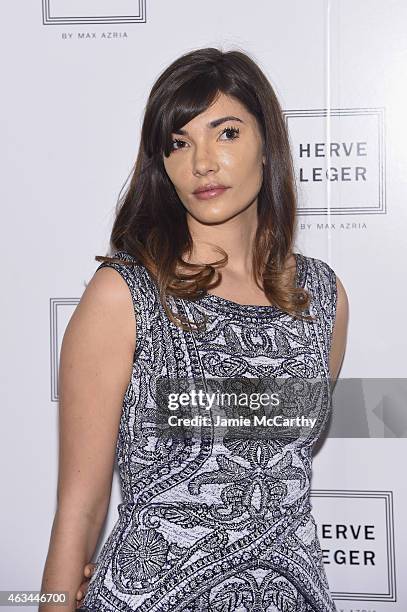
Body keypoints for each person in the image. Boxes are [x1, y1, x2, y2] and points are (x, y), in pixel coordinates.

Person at [39, 47, 348, 612]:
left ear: (267, 144)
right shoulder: (124, 295)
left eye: (225, 133)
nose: (201, 162)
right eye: (179, 143)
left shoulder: (322, 297)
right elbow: (80, 511)